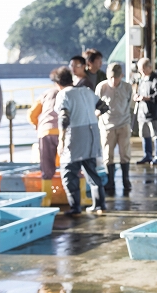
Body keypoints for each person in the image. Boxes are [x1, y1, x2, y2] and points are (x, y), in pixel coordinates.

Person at [53, 66, 109, 216]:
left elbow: (64, 118)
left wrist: (61, 140)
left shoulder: (63, 94)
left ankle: (75, 207)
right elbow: (104, 107)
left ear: (58, 83)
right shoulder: (86, 90)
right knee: (91, 171)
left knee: (69, 173)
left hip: (75, 135)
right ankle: (100, 204)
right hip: (92, 134)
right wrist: (93, 116)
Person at [96, 63, 133, 192]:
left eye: (116, 78)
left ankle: (125, 179)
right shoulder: (101, 87)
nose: (113, 80)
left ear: (121, 76)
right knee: (107, 154)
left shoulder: (128, 87)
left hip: (124, 124)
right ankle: (110, 181)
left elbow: (130, 104)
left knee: (125, 153)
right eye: (111, 77)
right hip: (107, 126)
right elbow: (96, 105)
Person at [27, 69, 60, 205]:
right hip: (64, 131)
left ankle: (47, 199)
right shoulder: (70, 92)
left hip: (45, 132)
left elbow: (31, 114)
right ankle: (75, 197)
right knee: (69, 165)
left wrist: (37, 125)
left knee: (46, 167)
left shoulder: (46, 94)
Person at [134, 58, 157, 165]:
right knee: (144, 134)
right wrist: (137, 97)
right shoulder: (141, 80)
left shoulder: (156, 80)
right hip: (142, 113)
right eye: (140, 70)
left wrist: (145, 98)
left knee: (155, 134)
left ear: (149, 67)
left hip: (153, 113)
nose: (141, 72)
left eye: (143, 69)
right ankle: (147, 155)